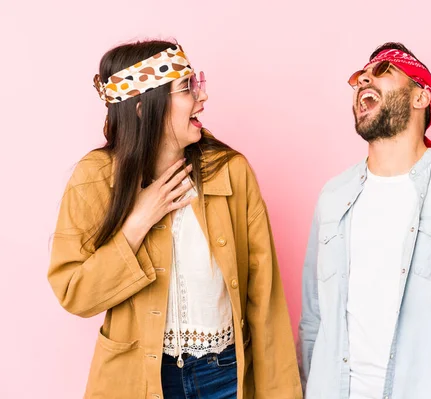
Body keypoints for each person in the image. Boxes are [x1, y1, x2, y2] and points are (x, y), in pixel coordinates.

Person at [48, 40, 301, 399]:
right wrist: (136, 223)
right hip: (135, 380)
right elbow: (75, 294)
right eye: (186, 88)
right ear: (141, 107)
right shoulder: (94, 177)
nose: (202, 97)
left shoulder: (231, 171)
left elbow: (266, 299)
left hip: (224, 377)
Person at [299, 42, 431, 399]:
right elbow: (313, 321)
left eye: (384, 71)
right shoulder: (333, 197)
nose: (365, 78)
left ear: (421, 97)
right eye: (361, 77)